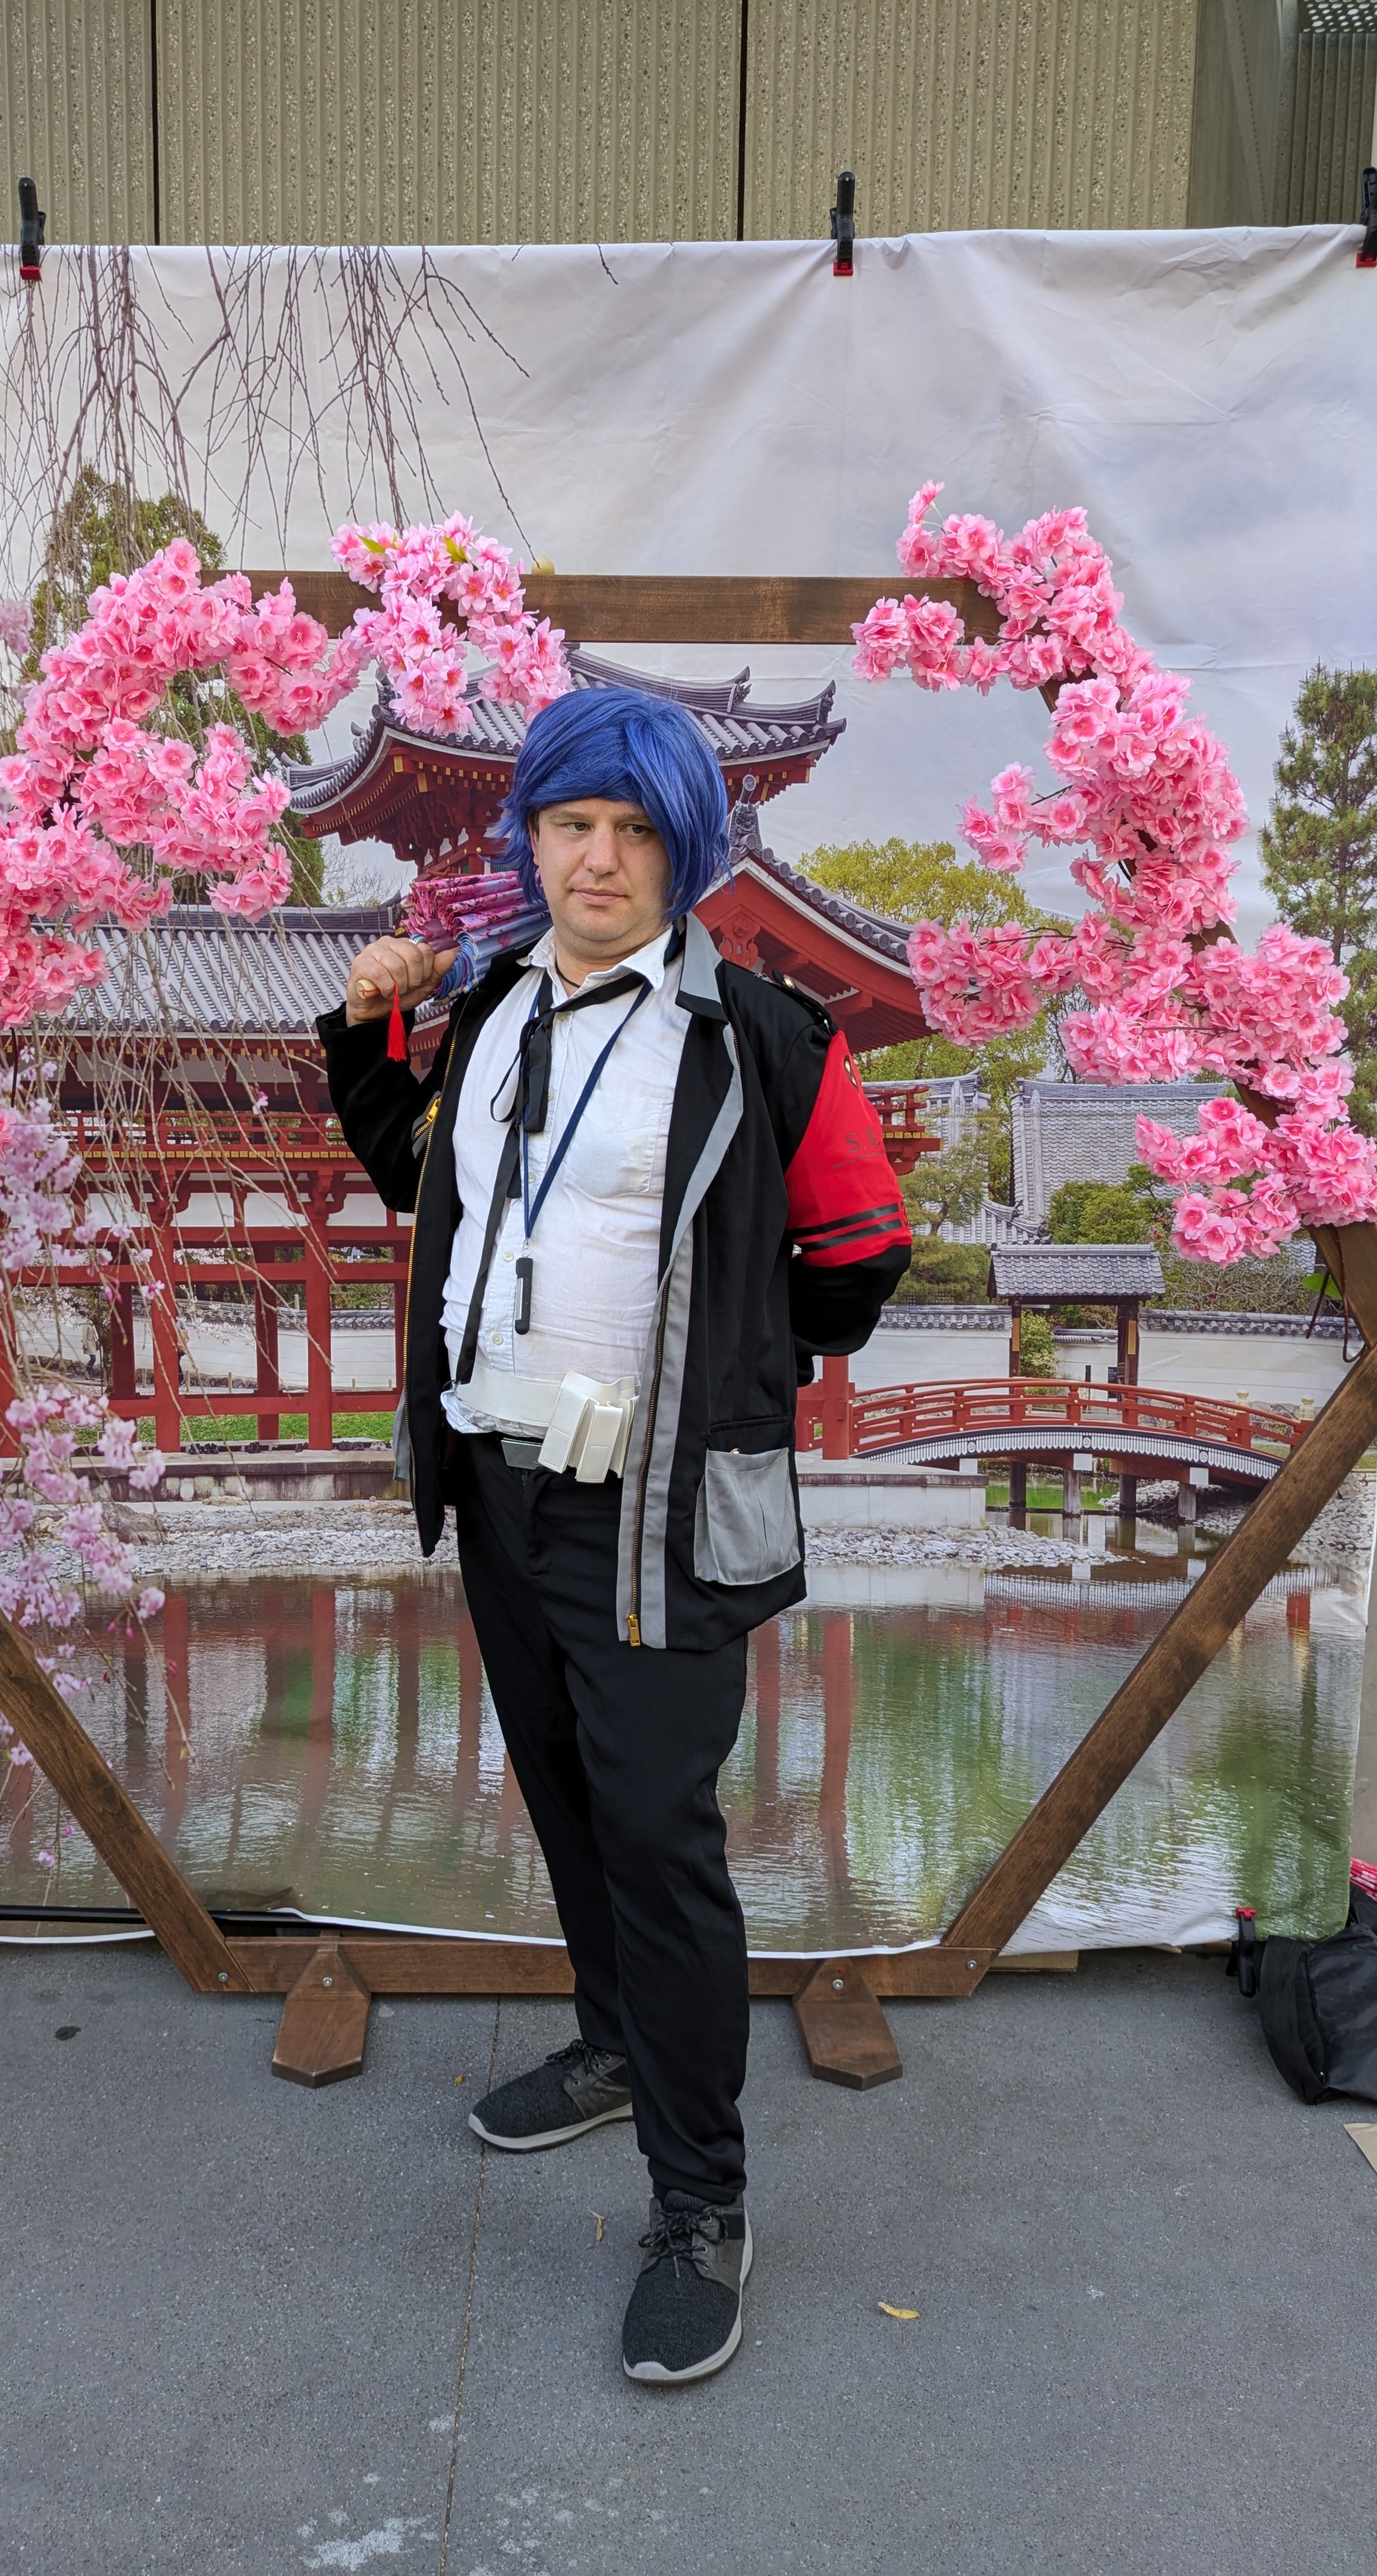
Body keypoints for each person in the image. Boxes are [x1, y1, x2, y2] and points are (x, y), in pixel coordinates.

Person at [317, 686, 911, 2383]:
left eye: (637, 829)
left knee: (660, 1840)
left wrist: (725, 1359)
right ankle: (606, 2045)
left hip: (655, 1506)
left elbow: (857, 1260)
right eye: (572, 823)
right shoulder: (490, 1007)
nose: (599, 857)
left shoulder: (764, 1037)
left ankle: (702, 2201)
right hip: (501, 1479)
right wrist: (366, 1032)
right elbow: (419, 1185)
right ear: (533, 838)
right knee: (567, 1792)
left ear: (686, 851)